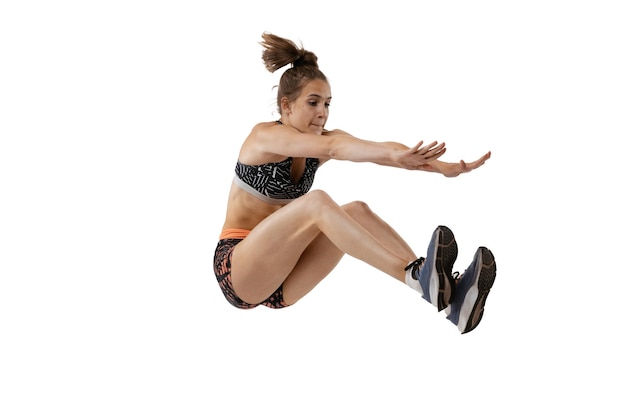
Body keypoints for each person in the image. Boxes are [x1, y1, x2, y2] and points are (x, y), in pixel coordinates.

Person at [213, 32, 497, 334]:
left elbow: (377, 148)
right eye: (313, 102)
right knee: (317, 203)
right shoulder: (264, 137)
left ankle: (452, 302)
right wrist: (393, 155)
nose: (322, 113)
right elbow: (335, 149)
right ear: (286, 105)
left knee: (357, 211)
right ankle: (418, 277)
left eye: (327, 104)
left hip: (286, 279)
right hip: (238, 270)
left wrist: (442, 167)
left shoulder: (317, 142)